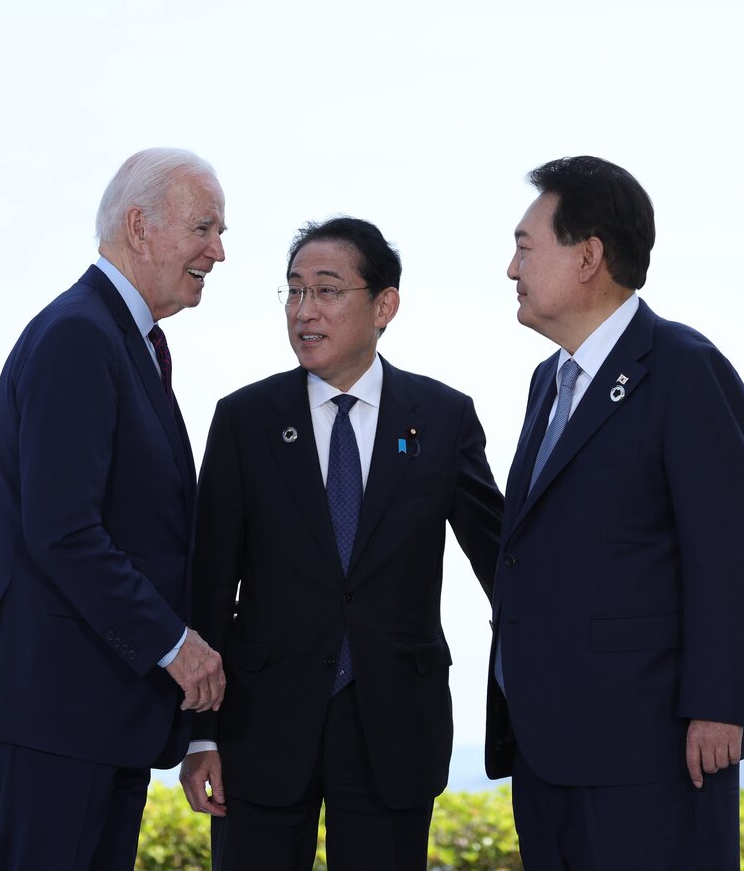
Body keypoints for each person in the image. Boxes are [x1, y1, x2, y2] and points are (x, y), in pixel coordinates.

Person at [181, 216, 503, 871]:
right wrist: (200, 733)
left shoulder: (441, 419)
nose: (305, 311)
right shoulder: (245, 420)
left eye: (326, 291)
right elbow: (209, 585)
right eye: (294, 292)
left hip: (395, 723)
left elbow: (504, 560)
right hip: (261, 727)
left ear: (384, 304)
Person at [0, 147, 228, 870]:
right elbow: (63, 530)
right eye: (203, 227)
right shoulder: (79, 335)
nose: (217, 252)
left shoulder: (120, 338)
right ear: (140, 226)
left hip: (99, 712)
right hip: (58, 710)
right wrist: (174, 643)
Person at [487, 156, 744, 869]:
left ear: (588, 256)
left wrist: (718, 704)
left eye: (525, 246)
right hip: (548, 751)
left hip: (651, 751)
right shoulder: (547, 384)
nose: (510, 268)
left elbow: (727, 551)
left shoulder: (683, 367)